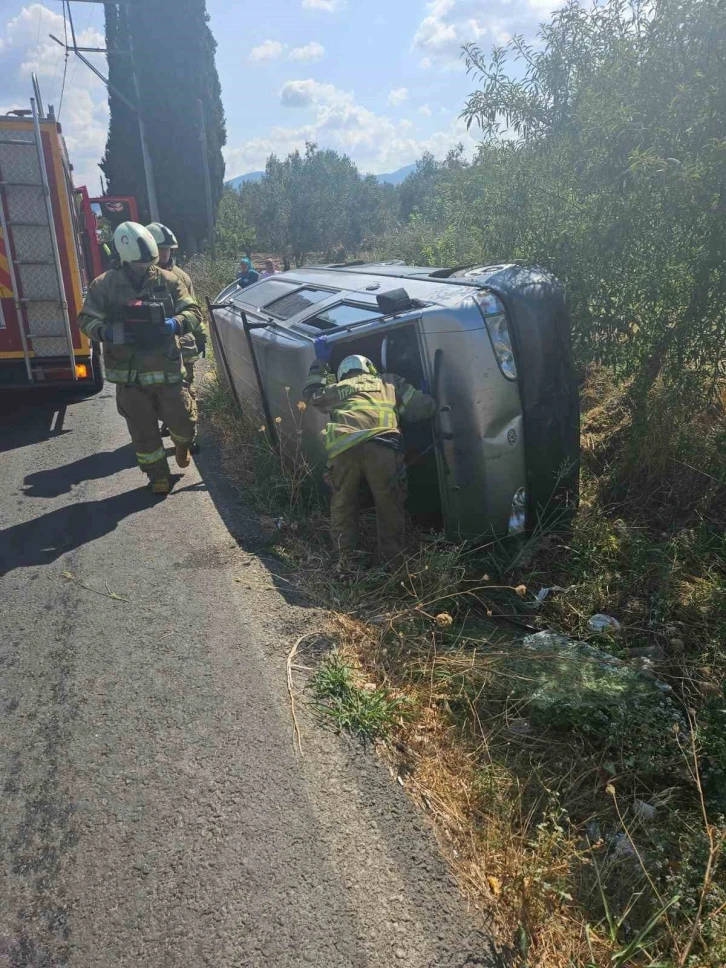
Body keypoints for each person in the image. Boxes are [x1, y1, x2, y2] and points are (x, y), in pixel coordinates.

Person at [78, 221, 201, 495]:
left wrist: (175, 324)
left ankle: (182, 444)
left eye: (149, 262)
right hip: (129, 375)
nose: (144, 268)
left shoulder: (169, 281)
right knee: (143, 431)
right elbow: (86, 320)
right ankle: (157, 476)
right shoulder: (104, 286)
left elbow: (193, 311)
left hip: (166, 368)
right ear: (125, 257)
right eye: (138, 264)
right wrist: (107, 332)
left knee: (182, 421)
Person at [303, 338, 436, 565]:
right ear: (370, 368)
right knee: (389, 506)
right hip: (383, 447)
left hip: (344, 449)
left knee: (343, 505)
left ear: (343, 374)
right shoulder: (389, 383)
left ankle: (345, 563)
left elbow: (312, 394)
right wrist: (424, 392)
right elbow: (424, 409)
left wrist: (320, 362)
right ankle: (391, 565)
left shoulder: (338, 388)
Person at [146, 222, 206, 397]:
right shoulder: (140, 277)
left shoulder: (181, 277)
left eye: (168, 249)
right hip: (151, 346)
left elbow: (194, 310)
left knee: (184, 392)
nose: (165, 253)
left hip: (181, 344)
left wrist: (200, 337)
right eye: (161, 248)